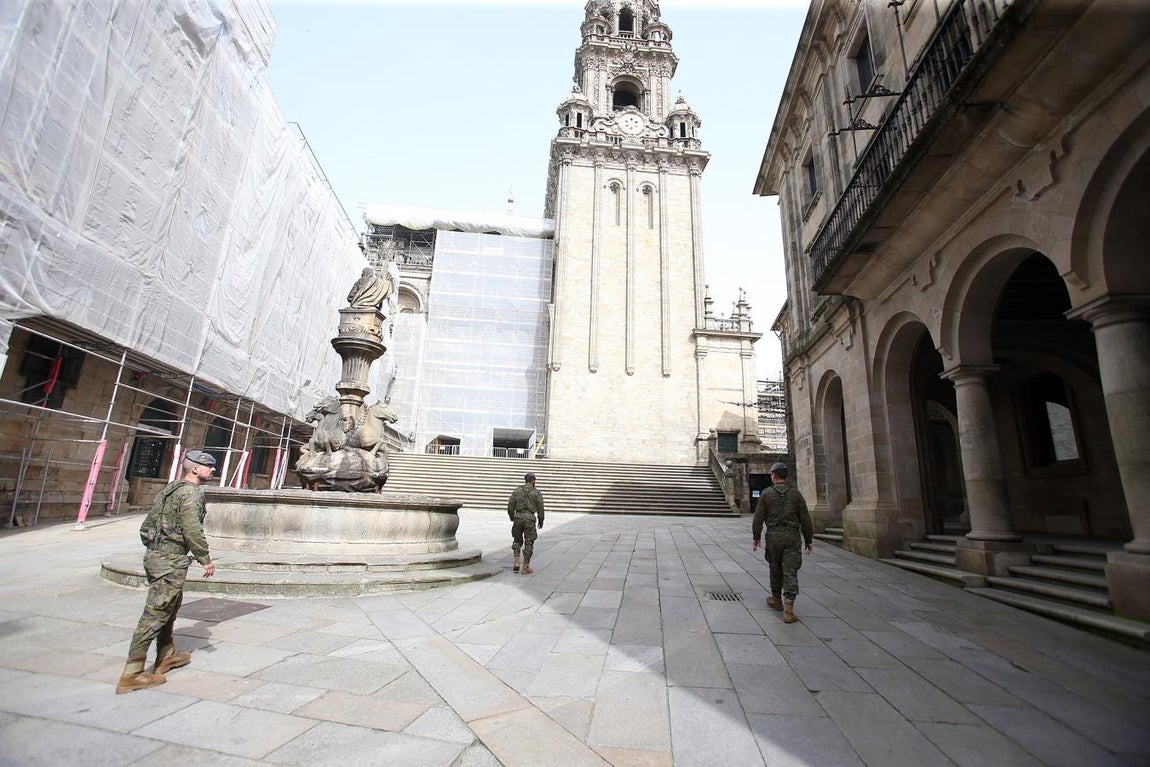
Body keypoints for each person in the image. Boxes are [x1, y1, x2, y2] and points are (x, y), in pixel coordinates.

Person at [116, 449, 217, 694]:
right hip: (169, 560)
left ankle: (166, 654)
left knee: (169, 607)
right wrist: (205, 558)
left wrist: (156, 548)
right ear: (195, 469)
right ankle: (132, 673)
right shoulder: (191, 495)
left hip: (156, 556)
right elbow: (191, 529)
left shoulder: (169, 490)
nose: (213, 470)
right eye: (208, 466)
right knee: (155, 614)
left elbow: (146, 526)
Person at [752, 462, 813, 624]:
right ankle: (789, 609)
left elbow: (758, 518)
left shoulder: (766, 494)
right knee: (790, 570)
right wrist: (809, 540)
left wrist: (756, 537)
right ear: (786, 476)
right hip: (792, 537)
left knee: (775, 566)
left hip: (773, 537)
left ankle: (775, 598)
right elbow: (805, 519)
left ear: (773, 475)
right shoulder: (796, 495)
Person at [507, 472, 545, 574]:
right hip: (530, 519)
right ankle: (526, 567)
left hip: (518, 517)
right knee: (529, 541)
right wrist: (541, 520)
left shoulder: (517, 490)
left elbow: (510, 505)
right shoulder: (536, 492)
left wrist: (512, 517)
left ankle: (516, 562)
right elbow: (540, 508)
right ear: (533, 481)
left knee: (517, 540)